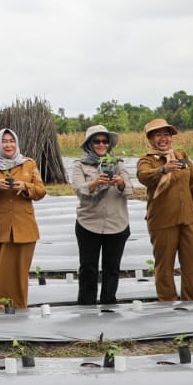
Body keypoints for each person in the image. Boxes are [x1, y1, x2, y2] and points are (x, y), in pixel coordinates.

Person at [134, 117, 193, 303]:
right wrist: (163, 170)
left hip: (189, 218)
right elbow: (143, 177)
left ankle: (190, 301)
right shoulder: (147, 160)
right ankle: (167, 304)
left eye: (166, 134)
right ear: (150, 138)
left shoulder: (181, 155)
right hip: (162, 220)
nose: (163, 138)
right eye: (158, 135)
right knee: (165, 266)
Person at [0, 128, 46, 309]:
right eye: (4, 141)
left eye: (11, 141)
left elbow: (41, 191)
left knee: (20, 273)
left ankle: (20, 307)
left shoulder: (28, 164)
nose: (8, 144)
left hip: (24, 227)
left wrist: (27, 186)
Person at [70, 124, 131, 306]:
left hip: (117, 223)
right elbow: (79, 190)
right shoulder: (79, 165)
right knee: (88, 268)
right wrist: (95, 183)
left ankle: (109, 304)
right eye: (97, 141)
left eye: (105, 141)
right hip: (89, 223)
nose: (101, 144)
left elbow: (130, 189)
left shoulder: (118, 164)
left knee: (112, 268)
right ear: (89, 143)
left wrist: (120, 183)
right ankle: (86, 306)